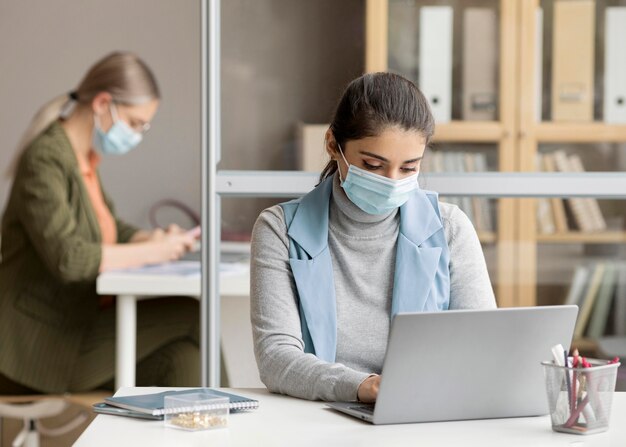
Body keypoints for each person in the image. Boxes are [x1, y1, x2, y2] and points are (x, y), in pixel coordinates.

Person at [250, 72, 497, 403]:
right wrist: (363, 387)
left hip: (422, 411)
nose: (392, 181)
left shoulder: (450, 227)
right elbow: (276, 358)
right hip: (319, 413)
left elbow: (483, 346)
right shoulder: (278, 229)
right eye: (373, 165)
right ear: (332, 146)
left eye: (408, 168)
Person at [0, 52, 200, 394]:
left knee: (184, 360)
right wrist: (155, 252)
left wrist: (149, 237)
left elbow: (106, 231)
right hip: (35, 348)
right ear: (103, 103)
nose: (138, 135)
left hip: (74, 329)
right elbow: (70, 258)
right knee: (191, 313)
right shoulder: (45, 160)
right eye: (136, 124)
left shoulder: (83, 160)